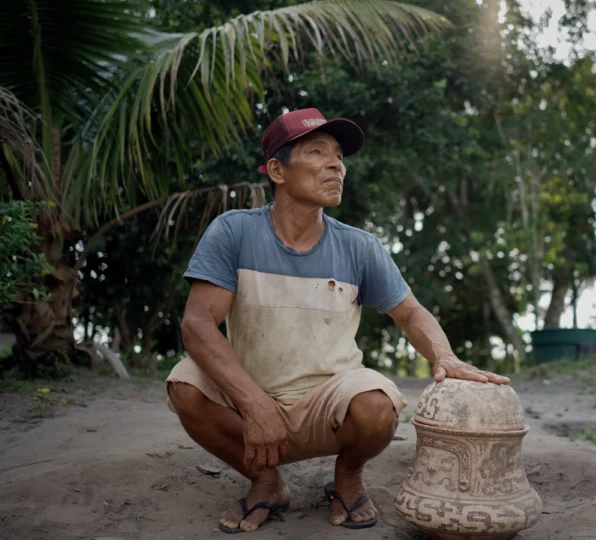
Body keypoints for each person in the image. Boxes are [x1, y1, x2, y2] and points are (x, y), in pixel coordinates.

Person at [165, 107, 510, 534]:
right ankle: (266, 481)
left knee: (377, 406)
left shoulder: (359, 246)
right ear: (277, 170)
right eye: (317, 152)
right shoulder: (233, 232)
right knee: (185, 385)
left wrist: (445, 354)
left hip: (327, 403)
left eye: (339, 157)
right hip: (248, 402)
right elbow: (197, 324)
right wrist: (255, 404)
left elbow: (410, 311)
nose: (336, 165)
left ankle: (347, 477)